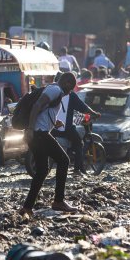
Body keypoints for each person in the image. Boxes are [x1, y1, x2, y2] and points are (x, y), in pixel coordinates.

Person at [20, 72, 79, 216]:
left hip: (38, 133)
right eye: (71, 88)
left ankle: (27, 207)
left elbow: (43, 111)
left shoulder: (53, 90)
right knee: (64, 160)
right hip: (39, 133)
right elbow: (37, 106)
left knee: (41, 171)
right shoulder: (55, 90)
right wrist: (30, 129)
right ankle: (58, 201)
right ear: (67, 84)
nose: (70, 92)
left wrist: (54, 122)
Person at [53, 74, 101, 176]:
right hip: (65, 128)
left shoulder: (51, 91)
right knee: (79, 144)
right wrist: (94, 114)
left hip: (51, 127)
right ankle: (76, 170)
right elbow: (84, 108)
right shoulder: (70, 95)